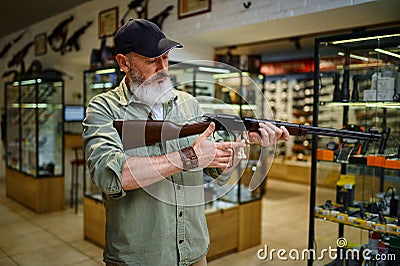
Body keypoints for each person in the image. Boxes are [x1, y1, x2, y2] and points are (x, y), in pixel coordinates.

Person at [82, 18, 289, 266]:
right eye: (151, 61)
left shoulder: (189, 104)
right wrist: (188, 157)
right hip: (142, 257)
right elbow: (109, 176)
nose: (163, 68)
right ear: (124, 63)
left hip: (193, 250)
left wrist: (241, 141)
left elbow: (214, 169)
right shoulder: (103, 108)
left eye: (166, 58)